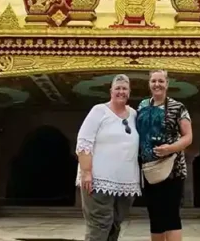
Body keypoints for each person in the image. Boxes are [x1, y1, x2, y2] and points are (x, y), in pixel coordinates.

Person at [76, 74, 139, 241]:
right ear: (111, 91)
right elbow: (84, 142)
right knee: (100, 225)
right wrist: (87, 172)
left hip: (125, 183)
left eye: (124, 88)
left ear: (129, 92)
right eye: (117, 88)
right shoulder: (99, 111)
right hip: (98, 180)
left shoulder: (133, 114)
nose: (121, 92)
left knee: (115, 225)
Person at [136, 70, 192, 241]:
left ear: (167, 84)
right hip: (149, 170)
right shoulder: (143, 105)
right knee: (155, 216)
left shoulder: (178, 107)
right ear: (149, 84)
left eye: (161, 81)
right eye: (153, 81)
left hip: (172, 170)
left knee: (171, 215)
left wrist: (170, 148)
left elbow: (188, 137)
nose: (157, 84)